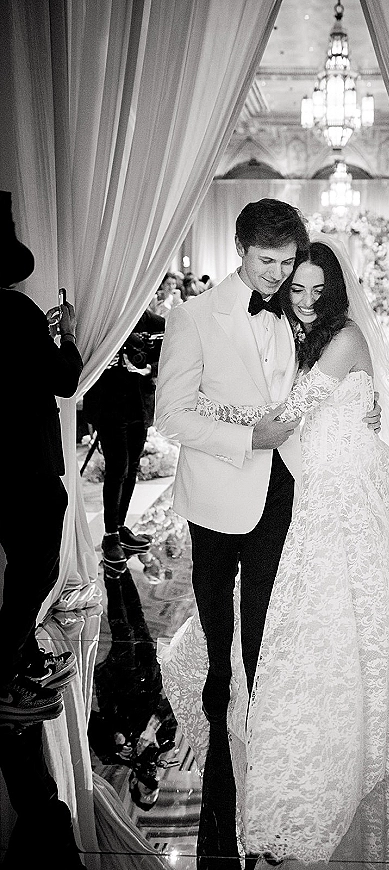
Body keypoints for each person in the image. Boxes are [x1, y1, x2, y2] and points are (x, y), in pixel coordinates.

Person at [160, 234, 389, 864]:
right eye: (293, 286)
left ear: (334, 290)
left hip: (345, 483)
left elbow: (290, 413)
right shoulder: (291, 332)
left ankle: (354, 722)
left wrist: (219, 409)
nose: (301, 298)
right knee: (306, 596)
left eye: (313, 288)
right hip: (309, 477)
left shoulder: (344, 338)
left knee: (348, 596)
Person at [155, 198, 385, 728]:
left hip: (285, 482)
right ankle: (218, 668)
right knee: (214, 594)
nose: (279, 276)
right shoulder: (193, 317)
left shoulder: (296, 305)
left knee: (264, 598)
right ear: (241, 250)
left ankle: (260, 694)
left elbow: (331, 367)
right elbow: (171, 417)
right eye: (267, 262)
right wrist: (246, 437)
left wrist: (361, 408)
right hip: (216, 482)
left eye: (287, 263)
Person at [0, 191, 82, 723]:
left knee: (19, 572)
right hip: (27, 463)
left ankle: (21, 660)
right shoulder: (17, 311)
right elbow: (65, 379)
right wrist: (67, 333)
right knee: (34, 571)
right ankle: (7, 677)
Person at [83, 308, 165, 575]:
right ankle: (109, 535)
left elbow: (164, 360)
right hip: (109, 404)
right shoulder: (107, 317)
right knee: (117, 469)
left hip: (140, 404)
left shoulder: (155, 323)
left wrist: (146, 368)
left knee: (131, 469)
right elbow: (92, 361)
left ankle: (119, 528)